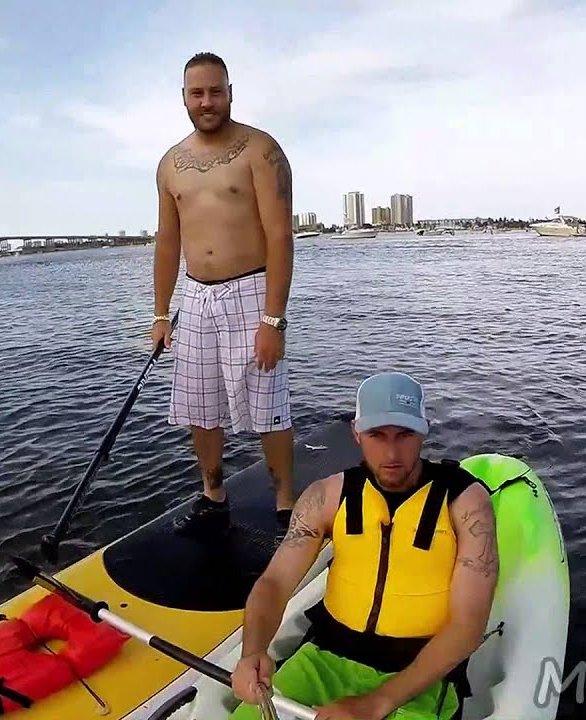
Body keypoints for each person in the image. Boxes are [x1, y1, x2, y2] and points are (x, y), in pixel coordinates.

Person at [229, 372, 499, 720]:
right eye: (376, 435)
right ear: (356, 433)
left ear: (424, 431)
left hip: (417, 674)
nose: (391, 452)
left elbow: (467, 627)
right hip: (323, 658)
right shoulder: (325, 496)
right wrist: (253, 651)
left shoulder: (465, 502)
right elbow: (275, 583)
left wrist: (379, 701)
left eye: (405, 435)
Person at [151, 51, 297, 540]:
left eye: (216, 91)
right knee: (199, 405)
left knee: (268, 404)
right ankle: (213, 495)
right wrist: (160, 314)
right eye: (197, 93)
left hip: (252, 290)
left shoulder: (261, 150)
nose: (207, 101)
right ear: (184, 99)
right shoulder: (170, 164)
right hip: (195, 296)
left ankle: (285, 503)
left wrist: (273, 320)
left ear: (230, 92)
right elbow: (167, 240)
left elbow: (280, 236)